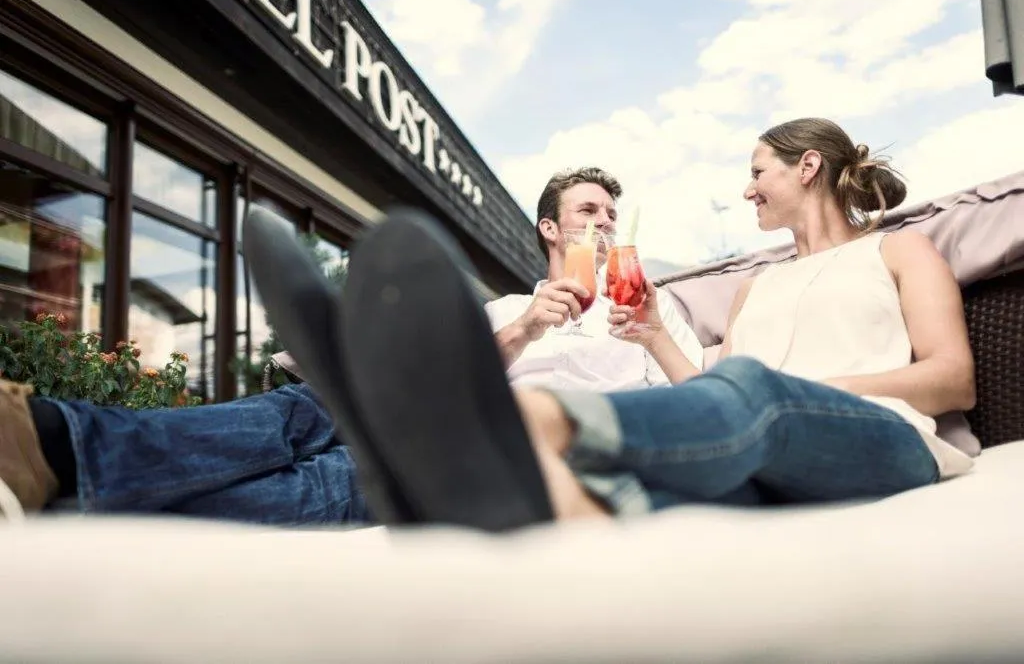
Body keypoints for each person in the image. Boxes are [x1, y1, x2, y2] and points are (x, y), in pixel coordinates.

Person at [279, 117, 978, 530]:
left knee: (755, 392)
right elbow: (703, 391)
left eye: (758, 171)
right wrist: (652, 334)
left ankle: (517, 423)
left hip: (881, 435)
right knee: (684, 449)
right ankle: (492, 492)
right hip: (765, 443)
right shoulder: (755, 288)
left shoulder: (896, 250)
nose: (746, 188)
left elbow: (952, 382)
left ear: (809, 166)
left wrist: (811, 390)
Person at [0, 168, 702, 525]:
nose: (605, 223)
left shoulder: (652, 305)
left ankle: (59, 450)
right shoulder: (508, 308)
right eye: (589, 211)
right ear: (551, 229)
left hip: (517, 458)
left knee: (336, 481)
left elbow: (699, 404)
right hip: (438, 415)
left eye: (613, 214)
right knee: (299, 414)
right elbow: (450, 380)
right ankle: (53, 449)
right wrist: (524, 331)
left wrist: (652, 329)